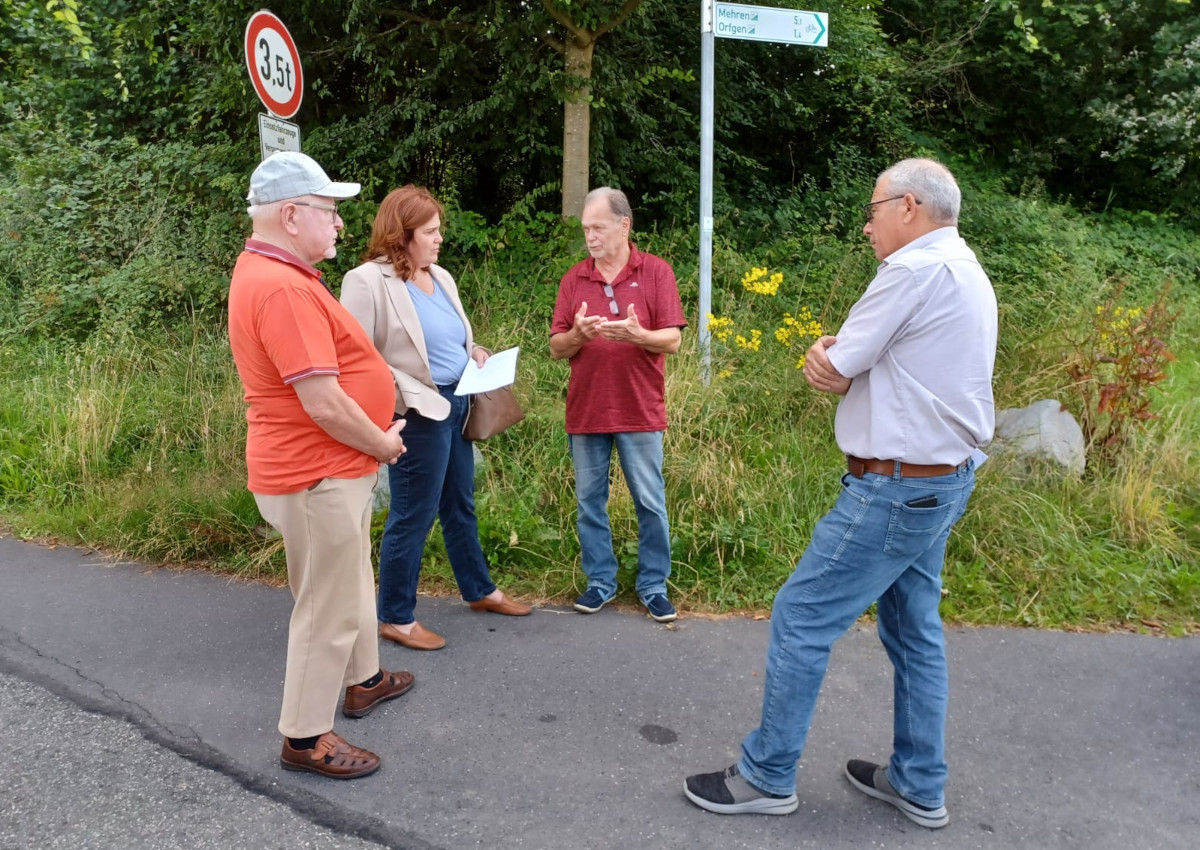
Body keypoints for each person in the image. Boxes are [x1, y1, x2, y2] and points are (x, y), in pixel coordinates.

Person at [683, 158, 997, 828]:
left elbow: (837, 363)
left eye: (875, 208)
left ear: (908, 205)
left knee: (802, 615)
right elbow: (881, 367)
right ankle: (918, 781)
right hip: (941, 482)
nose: (866, 224)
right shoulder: (965, 267)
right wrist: (849, 365)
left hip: (893, 487)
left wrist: (830, 358)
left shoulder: (910, 271)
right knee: (914, 631)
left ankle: (767, 776)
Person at [227, 151, 416, 780]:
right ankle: (305, 738)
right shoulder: (281, 286)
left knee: (348, 579)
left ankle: (365, 679)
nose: (339, 225)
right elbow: (324, 401)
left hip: (329, 468)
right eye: (329, 212)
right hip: (318, 473)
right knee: (325, 607)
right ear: (290, 215)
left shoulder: (282, 272)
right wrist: (383, 445)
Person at [340, 185, 531, 653]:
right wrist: (403, 395)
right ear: (401, 235)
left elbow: (451, 341)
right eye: (429, 231)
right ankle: (396, 616)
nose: (439, 238)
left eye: (438, 230)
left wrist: (476, 352)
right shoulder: (366, 281)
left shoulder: (441, 277)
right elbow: (354, 356)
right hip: (416, 413)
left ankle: (479, 590)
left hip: (458, 403)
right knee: (413, 513)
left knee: (459, 504)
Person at [549, 187, 687, 623]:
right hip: (587, 409)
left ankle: (653, 585)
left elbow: (674, 338)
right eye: (586, 228)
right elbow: (556, 347)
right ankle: (600, 582)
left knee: (650, 501)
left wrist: (638, 336)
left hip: (640, 409)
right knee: (590, 502)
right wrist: (579, 336)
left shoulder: (656, 272)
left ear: (624, 226)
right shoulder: (574, 279)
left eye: (598, 228)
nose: (590, 237)